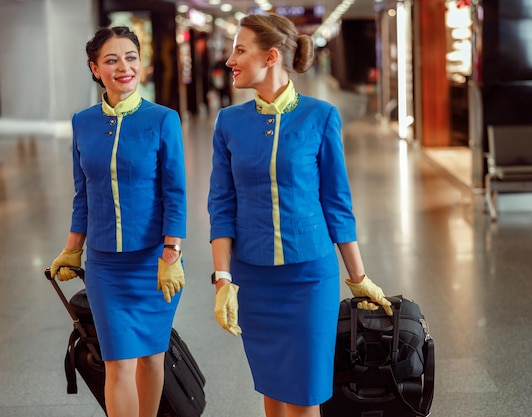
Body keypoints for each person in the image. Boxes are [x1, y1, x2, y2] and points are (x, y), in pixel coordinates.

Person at [208, 13, 393, 417]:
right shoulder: (229, 123)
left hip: (309, 278)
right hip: (252, 279)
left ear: (271, 56)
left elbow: (337, 202)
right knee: (273, 390)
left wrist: (358, 278)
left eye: (240, 50)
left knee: (305, 396)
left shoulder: (320, 116)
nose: (229, 60)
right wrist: (222, 278)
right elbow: (221, 204)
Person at [48, 26, 187, 417]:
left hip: (155, 262)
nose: (123, 66)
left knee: (151, 358)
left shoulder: (163, 119)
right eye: (111, 60)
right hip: (106, 266)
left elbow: (175, 193)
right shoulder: (83, 122)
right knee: (118, 361)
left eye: (130, 57)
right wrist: (73, 249)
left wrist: (172, 252)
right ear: (95, 68)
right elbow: (83, 194)